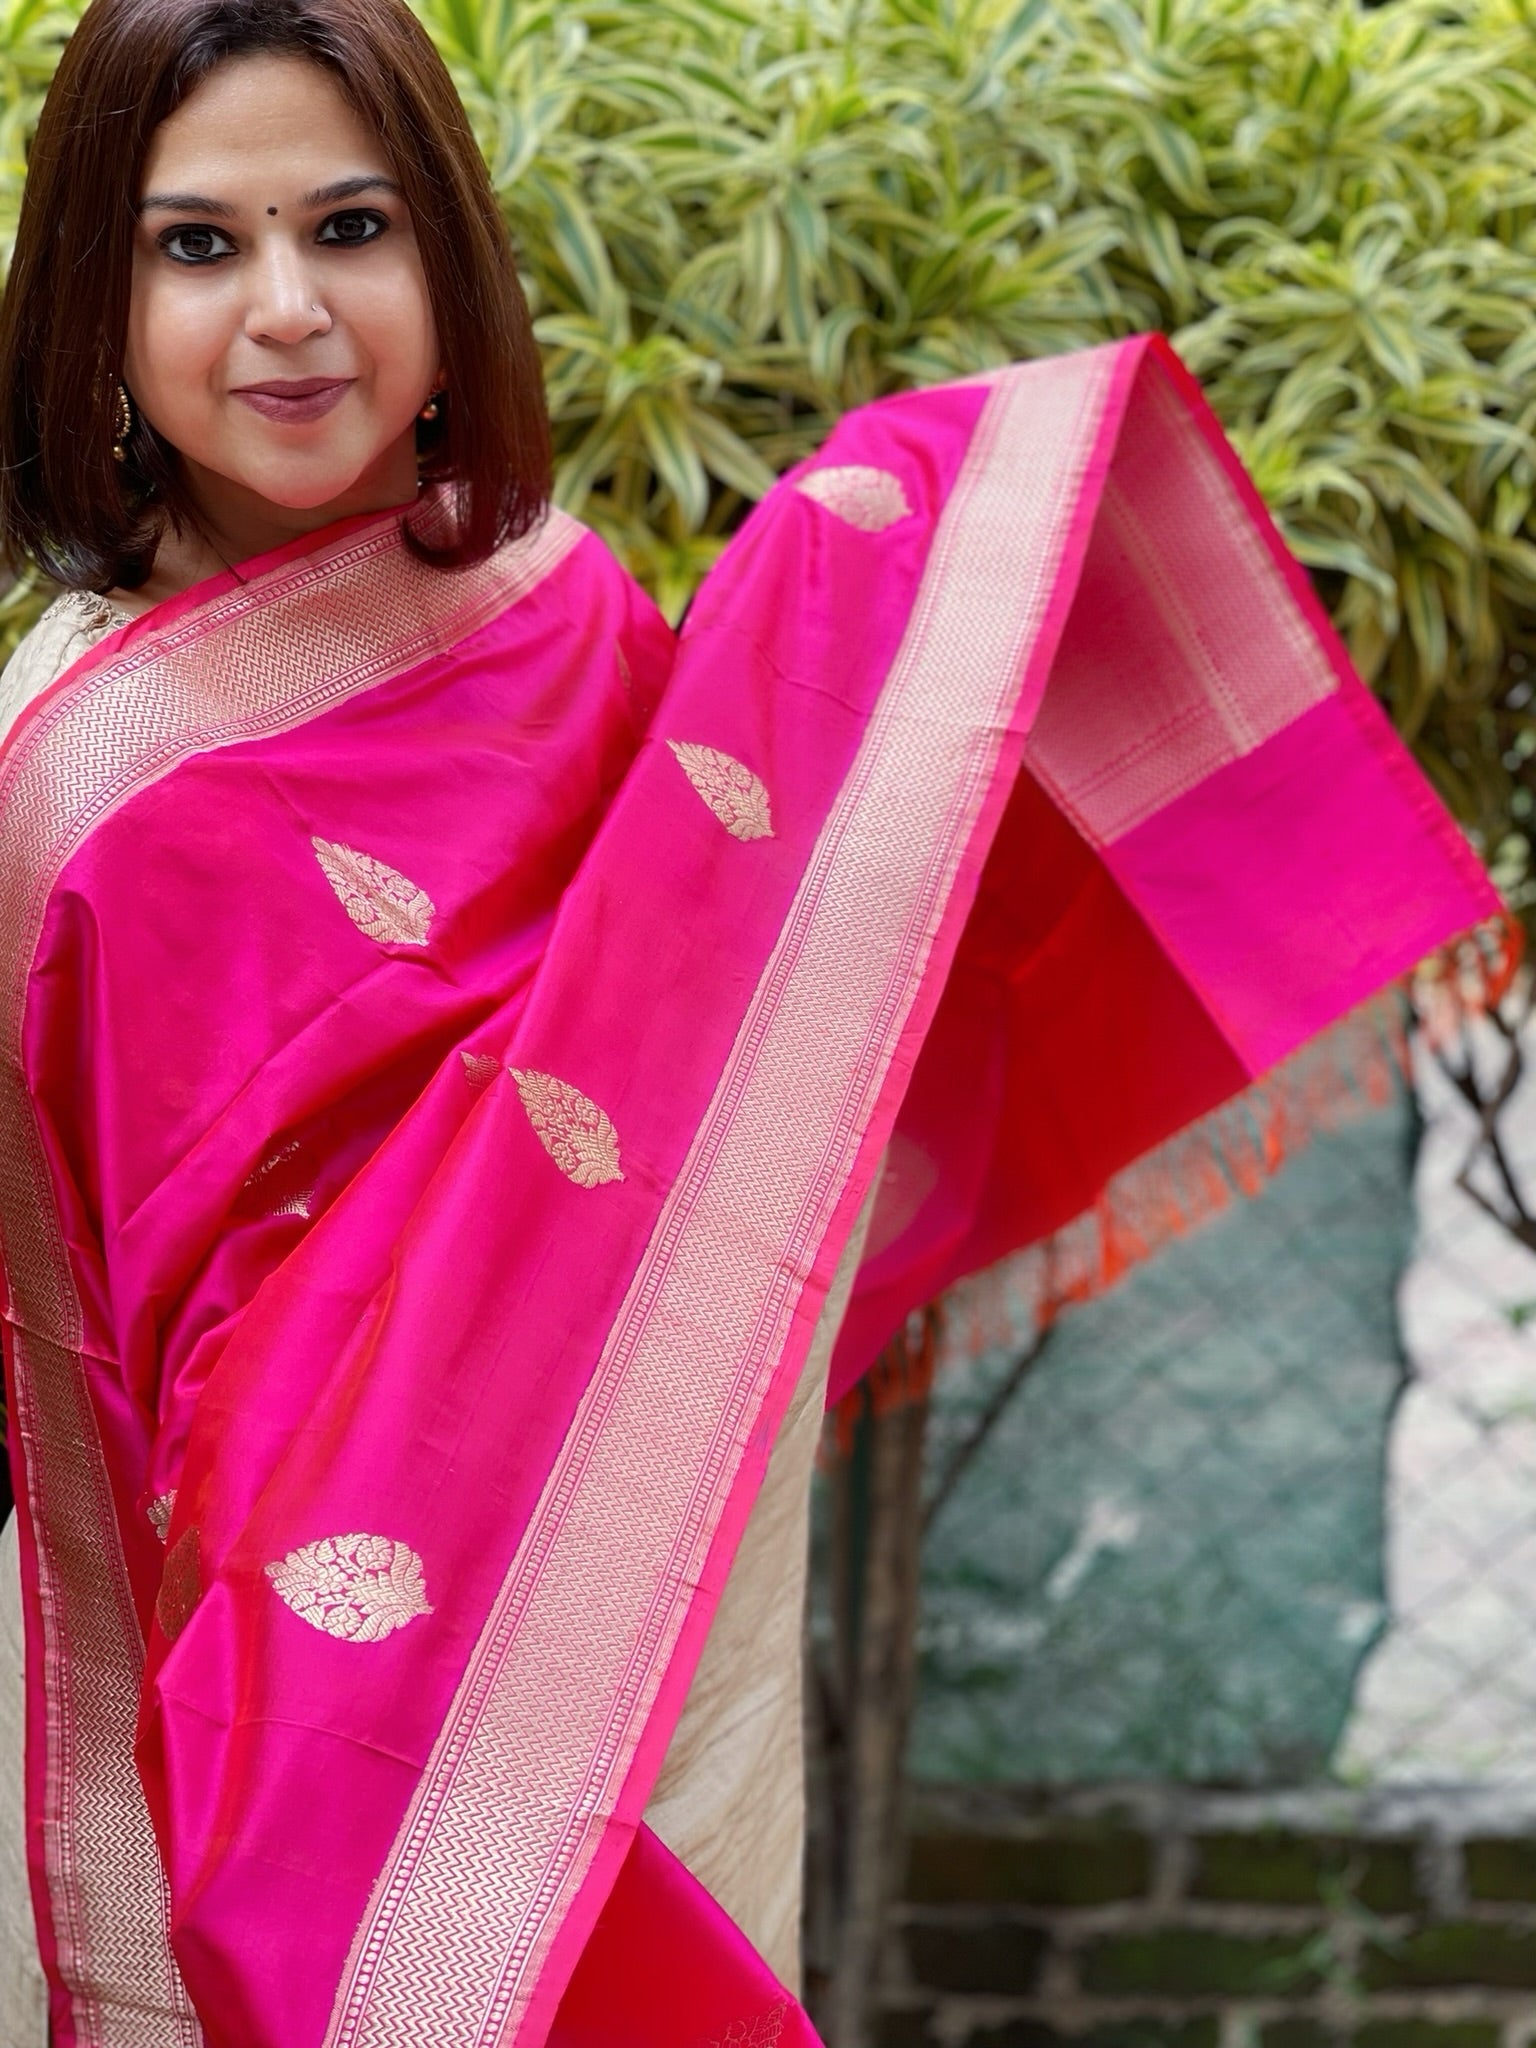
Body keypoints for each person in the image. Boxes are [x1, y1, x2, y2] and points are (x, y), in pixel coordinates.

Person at [0, 0, 1495, 2040]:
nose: (286, 312)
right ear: (93, 292)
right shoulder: (70, 761)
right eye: (197, 245)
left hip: (625, 1574)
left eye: (349, 228)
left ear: (447, 260)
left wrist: (884, 595)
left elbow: (704, 1015)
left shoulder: (551, 605)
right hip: (242, 1645)